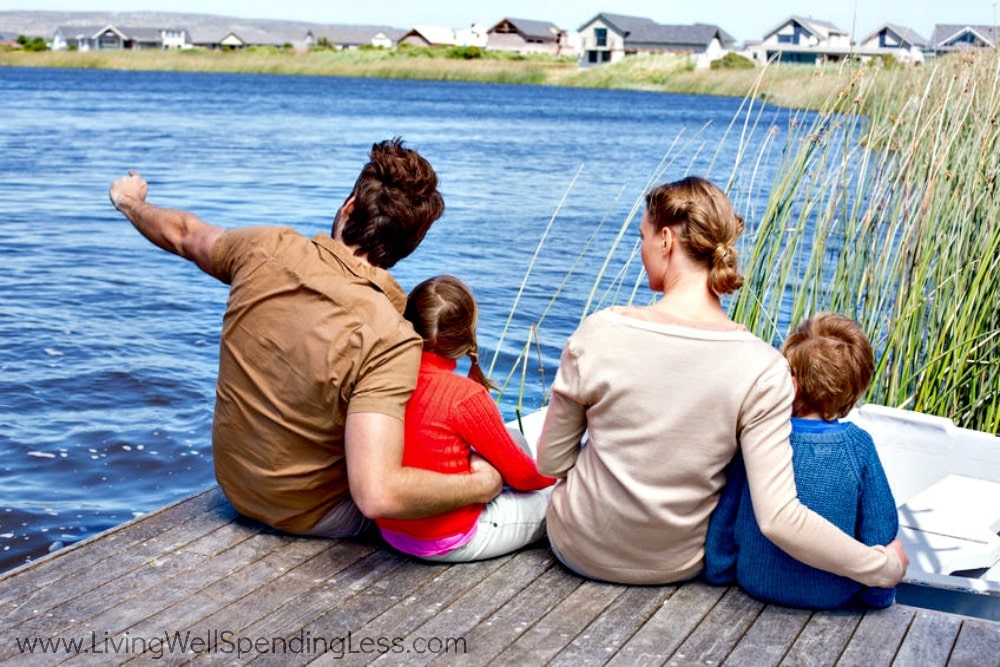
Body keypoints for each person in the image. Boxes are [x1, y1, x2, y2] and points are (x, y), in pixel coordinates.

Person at [108, 138, 502, 539]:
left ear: (349, 208)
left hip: (239, 490)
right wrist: (483, 484)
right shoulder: (392, 338)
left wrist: (129, 201)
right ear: (409, 245)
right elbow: (377, 496)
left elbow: (183, 233)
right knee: (487, 476)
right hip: (317, 515)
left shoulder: (263, 249)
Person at [536, 176, 908, 587]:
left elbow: (552, 462)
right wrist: (882, 568)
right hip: (676, 564)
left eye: (641, 236)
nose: (640, 250)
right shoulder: (763, 368)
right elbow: (780, 519)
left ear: (665, 240)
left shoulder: (598, 332)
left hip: (579, 548)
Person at [704, 313, 898, 608]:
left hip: (755, 584)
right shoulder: (857, 446)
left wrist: (719, 573)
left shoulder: (760, 436)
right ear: (853, 388)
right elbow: (879, 528)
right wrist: (879, 594)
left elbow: (726, 515)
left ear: (790, 382)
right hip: (831, 595)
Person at [377, 275, 556, 561]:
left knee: (511, 441)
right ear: (465, 334)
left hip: (392, 532)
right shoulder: (465, 396)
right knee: (557, 501)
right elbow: (524, 478)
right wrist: (557, 478)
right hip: (450, 539)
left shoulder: (384, 380)